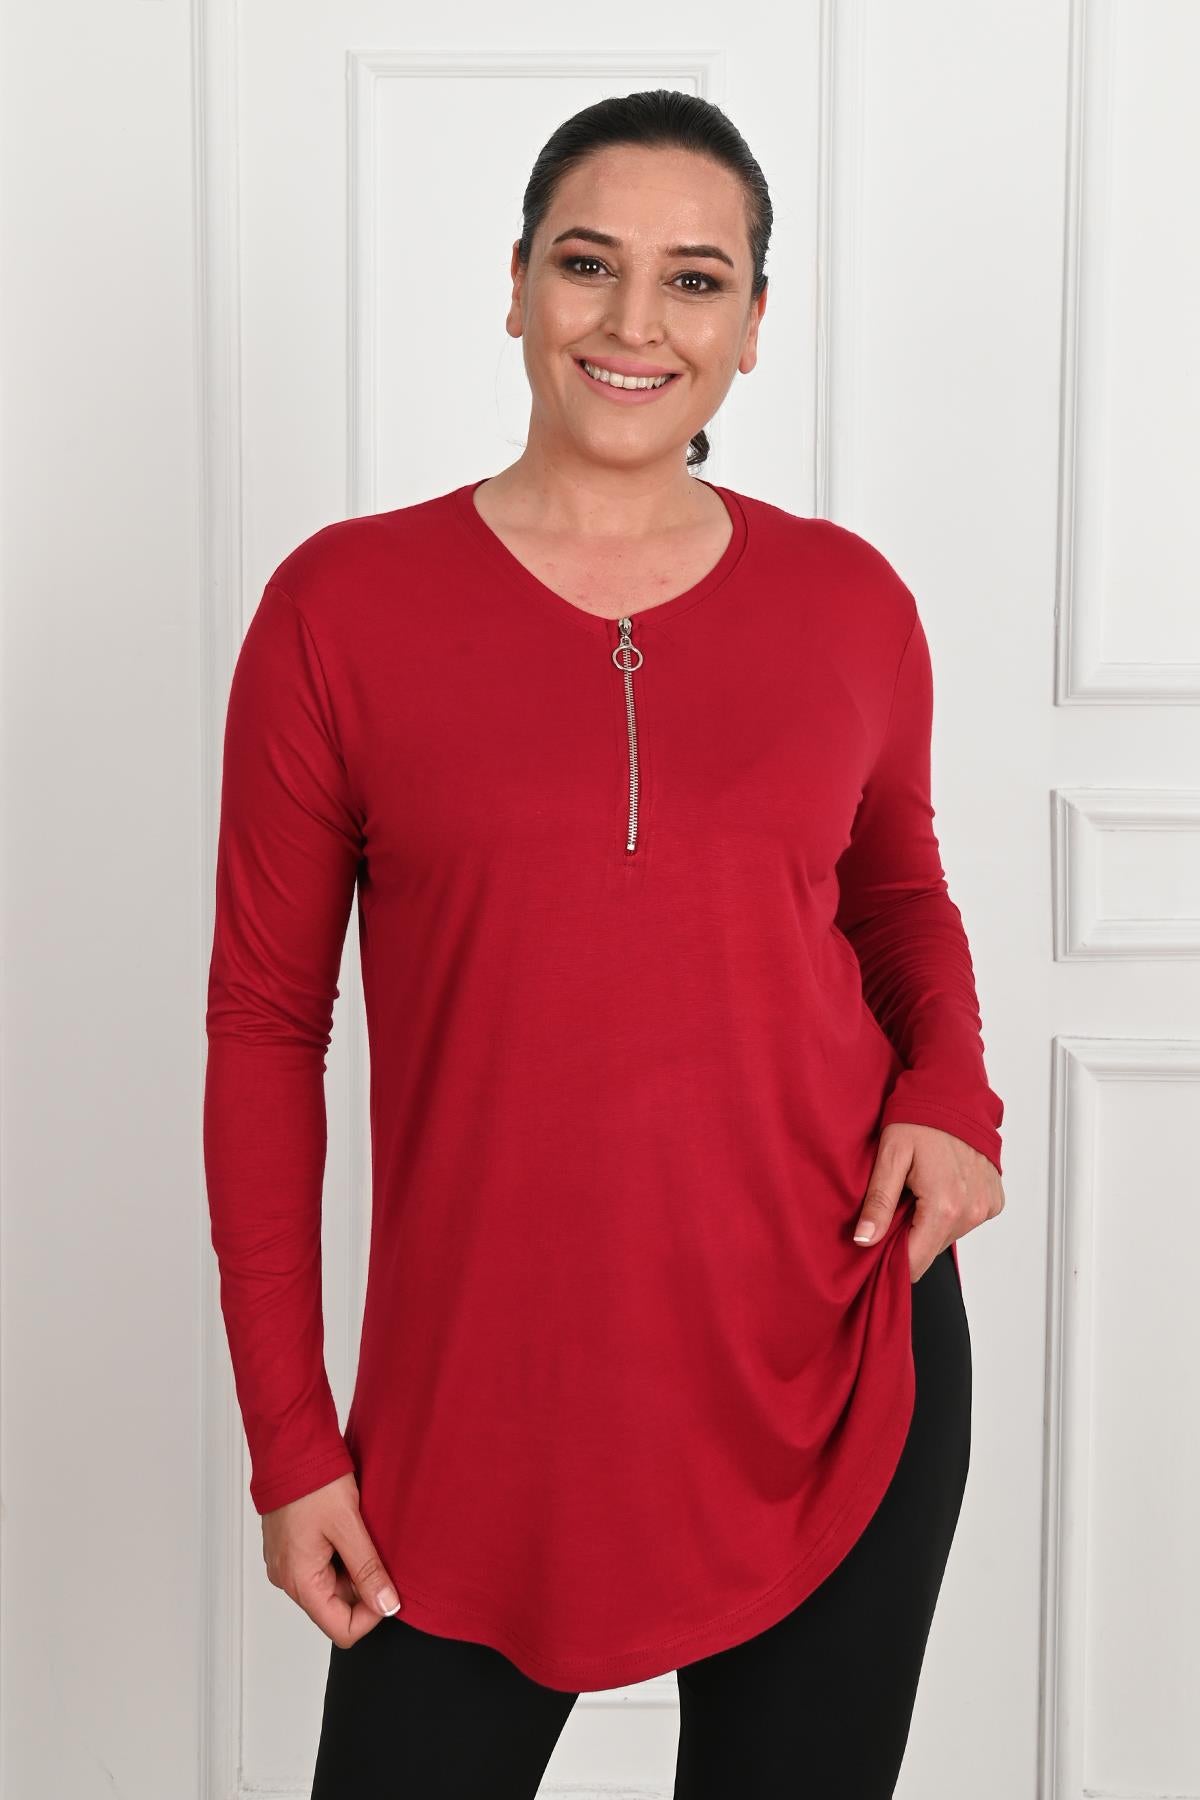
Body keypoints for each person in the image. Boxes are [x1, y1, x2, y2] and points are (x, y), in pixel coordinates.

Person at [203, 88, 1006, 1799]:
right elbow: (267, 1026)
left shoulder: (852, 602)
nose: (636, 322)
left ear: (753, 325)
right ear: (516, 287)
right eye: (588, 264)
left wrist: (954, 1093)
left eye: (695, 280)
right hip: (484, 1410)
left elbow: (897, 903)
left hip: (835, 1356)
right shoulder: (339, 608)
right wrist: (291, 1438)